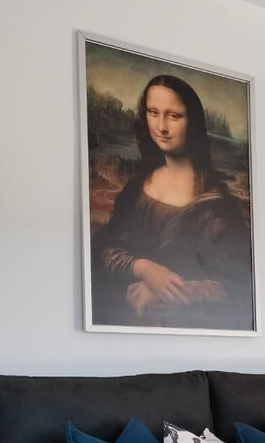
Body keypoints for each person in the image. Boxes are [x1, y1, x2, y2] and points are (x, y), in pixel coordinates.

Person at [91, 74, 252, 329]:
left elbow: (236, 283)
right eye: (153, 112)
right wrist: (144, 268)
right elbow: (105, 246)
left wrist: (172, 291)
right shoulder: (138, 187)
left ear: (192, 122)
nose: (161, 127)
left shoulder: (218, 206)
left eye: (174, 116)